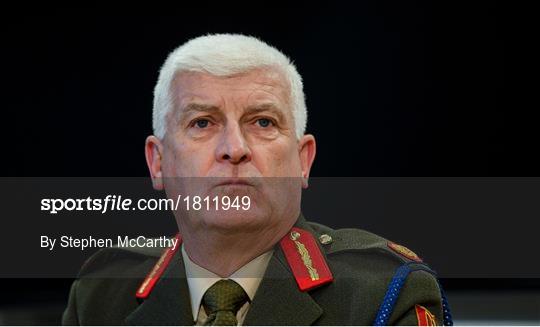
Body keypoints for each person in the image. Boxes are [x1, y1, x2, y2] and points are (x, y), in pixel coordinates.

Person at [62, 34, 452, 326]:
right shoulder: (101, 293)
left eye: (263, 122)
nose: (234, 148)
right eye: (202, 123)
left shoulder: (383, 294)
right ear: (158, 163)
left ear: (303, 160)